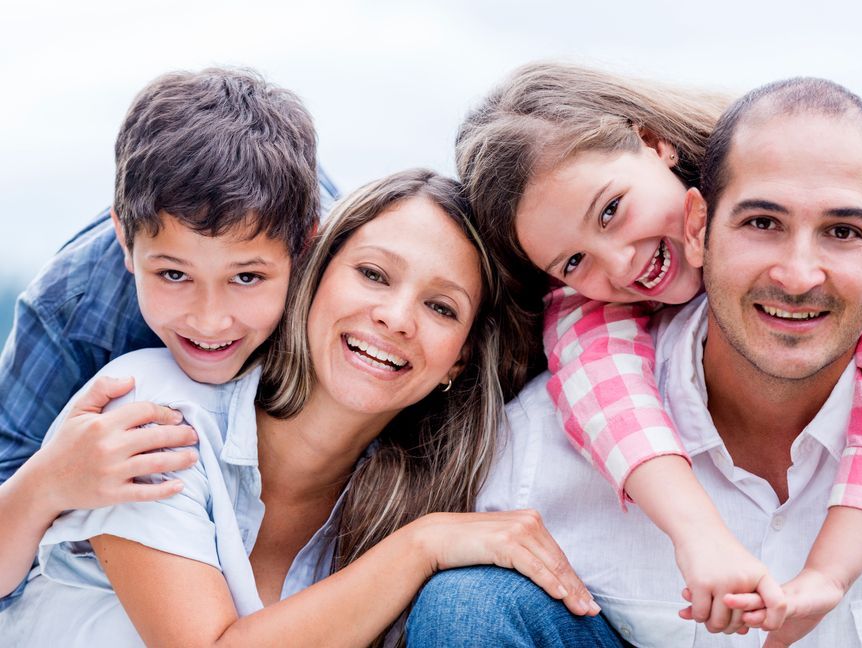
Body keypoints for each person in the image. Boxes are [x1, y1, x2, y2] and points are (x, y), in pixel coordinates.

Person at [407, 78, 862, 647]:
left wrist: (830, 575)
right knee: (467, 603)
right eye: (573, 263)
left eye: (612, 210)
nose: (619, 267)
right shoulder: (588, 326)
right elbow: (602, 386)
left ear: (656, 147)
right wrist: (697, 532)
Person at [0, 169, 605, 647]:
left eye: (440, 308)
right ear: (313, 276)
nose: (395, 317)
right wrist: (425, 545)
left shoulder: (399, 506)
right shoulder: (157, 411)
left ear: (458, 361)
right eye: (372, 274)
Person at [0, 67, 336, 608]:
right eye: (173, 275)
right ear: (124, 239)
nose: (209, 320)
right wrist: (47, 483)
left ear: (305, 246)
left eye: (246, 277)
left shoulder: (343, 275)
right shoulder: (67, 312)